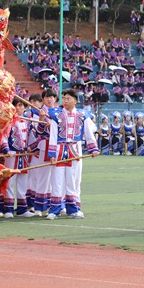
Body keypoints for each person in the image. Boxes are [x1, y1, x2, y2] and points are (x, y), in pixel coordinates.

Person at [46, 89, 99, 219]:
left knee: (73, 180)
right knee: (57, 180)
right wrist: (51, 154)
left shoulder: (82, 115)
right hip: (59, 149)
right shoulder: (56, 115)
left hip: (75, 149)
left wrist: (93, 148)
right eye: (64, 98)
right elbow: (53, 135)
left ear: (75, 100)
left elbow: (89, 132)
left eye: (68, 98)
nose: (65, 101)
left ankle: (73, 209)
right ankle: (54, 210)